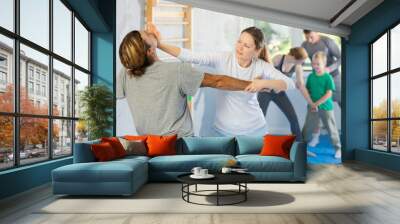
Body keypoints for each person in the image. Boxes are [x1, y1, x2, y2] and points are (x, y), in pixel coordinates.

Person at [148, 24, 295, 136]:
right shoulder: (223, 59)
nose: (240, 47)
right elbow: (190, 56)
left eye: (246, 45)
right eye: (239, 41)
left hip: (255, 130)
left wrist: (264, 83)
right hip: (222, 131)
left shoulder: (262, 67)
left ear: (256, 51)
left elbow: (290, 83)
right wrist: (159, 44)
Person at [117, 30, 253, 138]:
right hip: (179, 145)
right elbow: (218, 81)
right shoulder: (177, 71)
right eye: (146, 34)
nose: (148, 31)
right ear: (150, 50)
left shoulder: (126, 74)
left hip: (149, 147)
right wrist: (253, 84)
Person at [256, 47, 310, 141]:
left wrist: (311, 102)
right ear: (295, 57)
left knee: (293, 117)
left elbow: (300, 85)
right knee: (259, 118)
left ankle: (298, 144)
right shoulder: (278, 58)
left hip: (280, 94)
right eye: (301, 61)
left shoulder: (297, 66)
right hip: (265, 92)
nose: (302, 63)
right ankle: (254, 141)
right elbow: (266, 74)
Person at [301, 30, 342, 147]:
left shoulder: (327, 41)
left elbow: (340, 58)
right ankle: (316, 137)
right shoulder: (305, 45)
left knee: (340, 104)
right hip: (317, 78)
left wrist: (329, 69)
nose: (309, 40)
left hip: (333, 76)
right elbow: (300, 61)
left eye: (311, 37)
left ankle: (342, 138)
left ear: (317, 31)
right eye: (306, 37)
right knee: (315, 110)